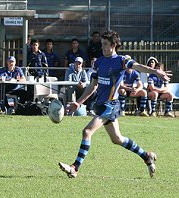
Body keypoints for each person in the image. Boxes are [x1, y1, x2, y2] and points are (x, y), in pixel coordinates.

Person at [58, 30, 171, 179]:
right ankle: (147, 156)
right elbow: (92, 86)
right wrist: (78, 103)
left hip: (111, 105)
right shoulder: (98, 62)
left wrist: (155, 72)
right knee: (117, 139)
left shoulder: (121, 60)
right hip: (100, 104)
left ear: (113, 45)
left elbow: (138, 66)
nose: (102, 47)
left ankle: (75, 167)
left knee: (87, 131)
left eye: (105, 44)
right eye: (102, 44)